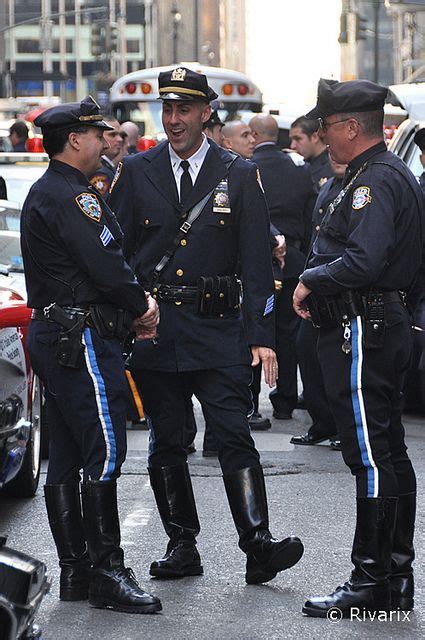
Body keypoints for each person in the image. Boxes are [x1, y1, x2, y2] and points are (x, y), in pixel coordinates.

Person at [109, 66, 304, 585]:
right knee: (166, 442)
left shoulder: (236, 173)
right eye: (167, 110)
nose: (174, 120)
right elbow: (119, 250)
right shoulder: (140, 169)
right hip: (157, 331)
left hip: (218, 328)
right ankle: (181, 546)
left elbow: (257, 263)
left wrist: (263, 337)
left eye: (184, 110)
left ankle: (257, 544)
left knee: (233, 434)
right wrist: (128, 311)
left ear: (205, 113)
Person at [21, 96, 161, 615]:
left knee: (67, 455)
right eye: (97, 134)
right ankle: (105, 571)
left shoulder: (58, 190)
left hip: (60, 335)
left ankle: (77, 572)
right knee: (104, 450)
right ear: (74, 140)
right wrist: (142, 305)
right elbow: (106, 265)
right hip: (77, 338)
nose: (106, 141)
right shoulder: (70, 196)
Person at [293, 78, 423, 617]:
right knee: (388, 451)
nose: (321, 136)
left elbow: (364, 262)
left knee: (371, 455)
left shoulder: (375, 181)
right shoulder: (381, 175)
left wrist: (311, 279)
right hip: (379, 323)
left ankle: (371, 580)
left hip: (365, 326)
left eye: (325, 126)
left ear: (351, 127)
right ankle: (392, 575)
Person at [249, 113, 316, 421]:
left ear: (252, 135)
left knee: (252, 328)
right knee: (287, 333)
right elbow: (309, 217)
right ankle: (285, 397)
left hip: (257, 264)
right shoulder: (298, 170)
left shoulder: (245, 170)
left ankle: (249, 400)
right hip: (293, 264)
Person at [222, 116, 286, 429]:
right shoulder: (225, 173)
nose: (252, 139)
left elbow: (257, 217)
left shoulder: (248, 172)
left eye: (252, 133)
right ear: (227, 142)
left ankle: (246, 408)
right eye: (245, 135)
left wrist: (272, 237)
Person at [292, 154, 347, 449]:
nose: (334, 159)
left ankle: (341, 426)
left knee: (336, 361)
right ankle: (322, 423)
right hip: (316, 283)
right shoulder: (327, 186)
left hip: (339, 284)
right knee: (306, 350)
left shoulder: (356, 187)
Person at [289, 116, 334, 190]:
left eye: (298, 139)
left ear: (314, 137)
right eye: (292, 140)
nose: (292, 146)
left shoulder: (333, 164)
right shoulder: (301, 163)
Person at [88, 117, 124, 197]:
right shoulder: (99, 171)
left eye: (121, 135)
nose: (120, 139)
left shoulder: (107, 166)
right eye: (113, 134)